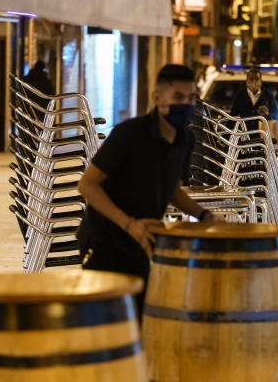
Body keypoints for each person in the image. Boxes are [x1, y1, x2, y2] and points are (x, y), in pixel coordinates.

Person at [76, 64, 215, 316]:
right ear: (157, 98)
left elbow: (173, 190)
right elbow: (87, 184)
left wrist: (204, 215)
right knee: (109, 323)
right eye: (178, 98)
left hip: (142, 242)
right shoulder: (128, 134)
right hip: (106, 240)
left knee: (141, 319)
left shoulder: (185, 139)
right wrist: (129, 224)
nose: (186, 104)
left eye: (192, 98)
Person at [229, 68, 278, 132]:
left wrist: (267, 115)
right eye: (251, 79)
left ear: (261, 81)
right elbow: (232, 118)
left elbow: (277, 116)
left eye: (256, 79)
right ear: (246, 81)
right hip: (244, 135)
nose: (254, 81)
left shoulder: (268, 95)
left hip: (263, 136)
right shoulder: (240, 96)